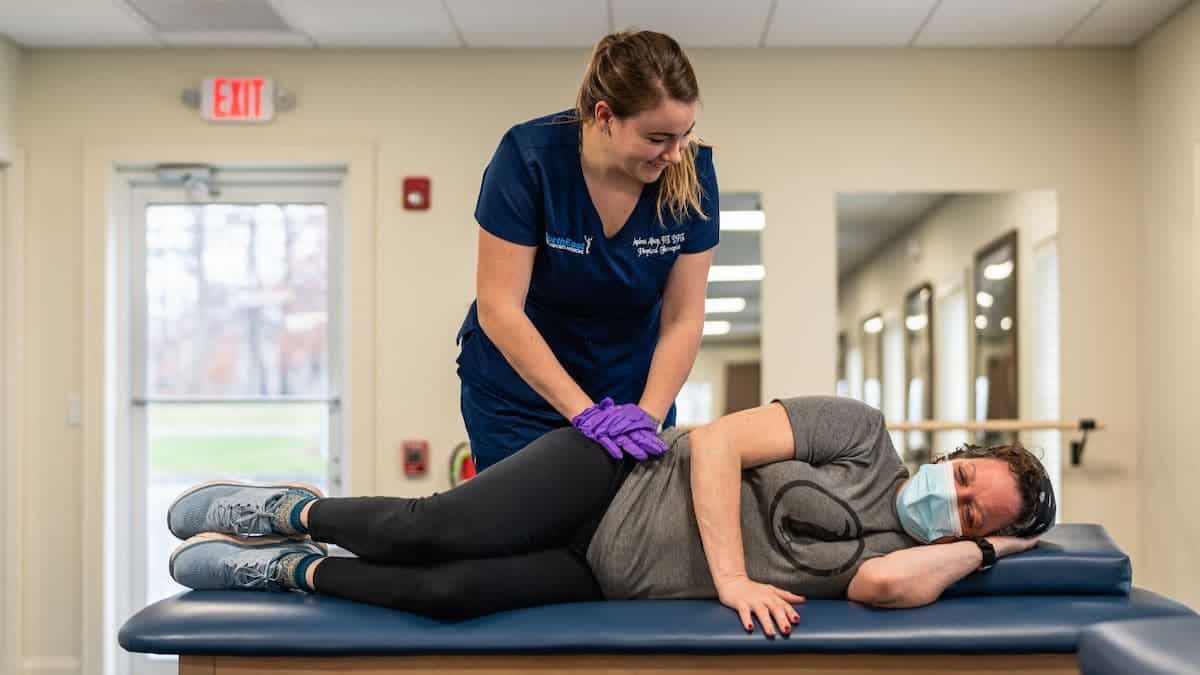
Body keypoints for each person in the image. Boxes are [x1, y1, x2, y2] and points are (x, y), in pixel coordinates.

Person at [165, 397, 1055, 636]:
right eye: (969, 475)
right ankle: (281, 507)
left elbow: (882, 585)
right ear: (956, 452)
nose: (958, 496)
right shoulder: (860, 435)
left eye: (974, 513)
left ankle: (287, 567)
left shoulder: (908, 554)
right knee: (428, 528)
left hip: (609, 571)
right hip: (607, 478)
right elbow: (711, 446)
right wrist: (737, 577)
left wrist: (989, 549)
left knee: (449, 594)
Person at [456, 29, 719, 470]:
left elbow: (683, 318)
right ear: (605, 116)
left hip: (632, 392)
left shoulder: (692, 172)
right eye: (657, 138)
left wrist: (649, 413)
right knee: (523, 527)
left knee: (624, 530)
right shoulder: (528, 159)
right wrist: (584, 413)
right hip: (521, 391)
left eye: (684, 135)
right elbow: (500, 308)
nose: (674, 155)